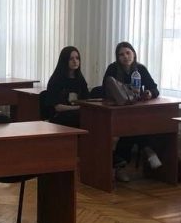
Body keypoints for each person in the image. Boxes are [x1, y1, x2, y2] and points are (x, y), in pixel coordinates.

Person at [102, 41, 161, 182]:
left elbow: (154, 88)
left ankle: (120, 167)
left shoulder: (140, 69)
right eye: (121, 54)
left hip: (135, 111)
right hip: (117, 112)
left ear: (133, 54)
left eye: (128, 53)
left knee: (133, 129)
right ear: (117, 57)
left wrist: (149, 93)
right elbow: (105, 90)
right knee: (132, 128)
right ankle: (148, 150)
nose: (125, 57)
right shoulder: (113, 69)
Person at [45, 46, 89, 127]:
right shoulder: (56, 80)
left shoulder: (80, 79)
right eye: (71, 59)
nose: (75, 61)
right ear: (64, 61)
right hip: (59, 117)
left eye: (77, 58)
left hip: (76, 114)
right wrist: (78, 108)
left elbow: (86, 100)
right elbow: (58, 107)